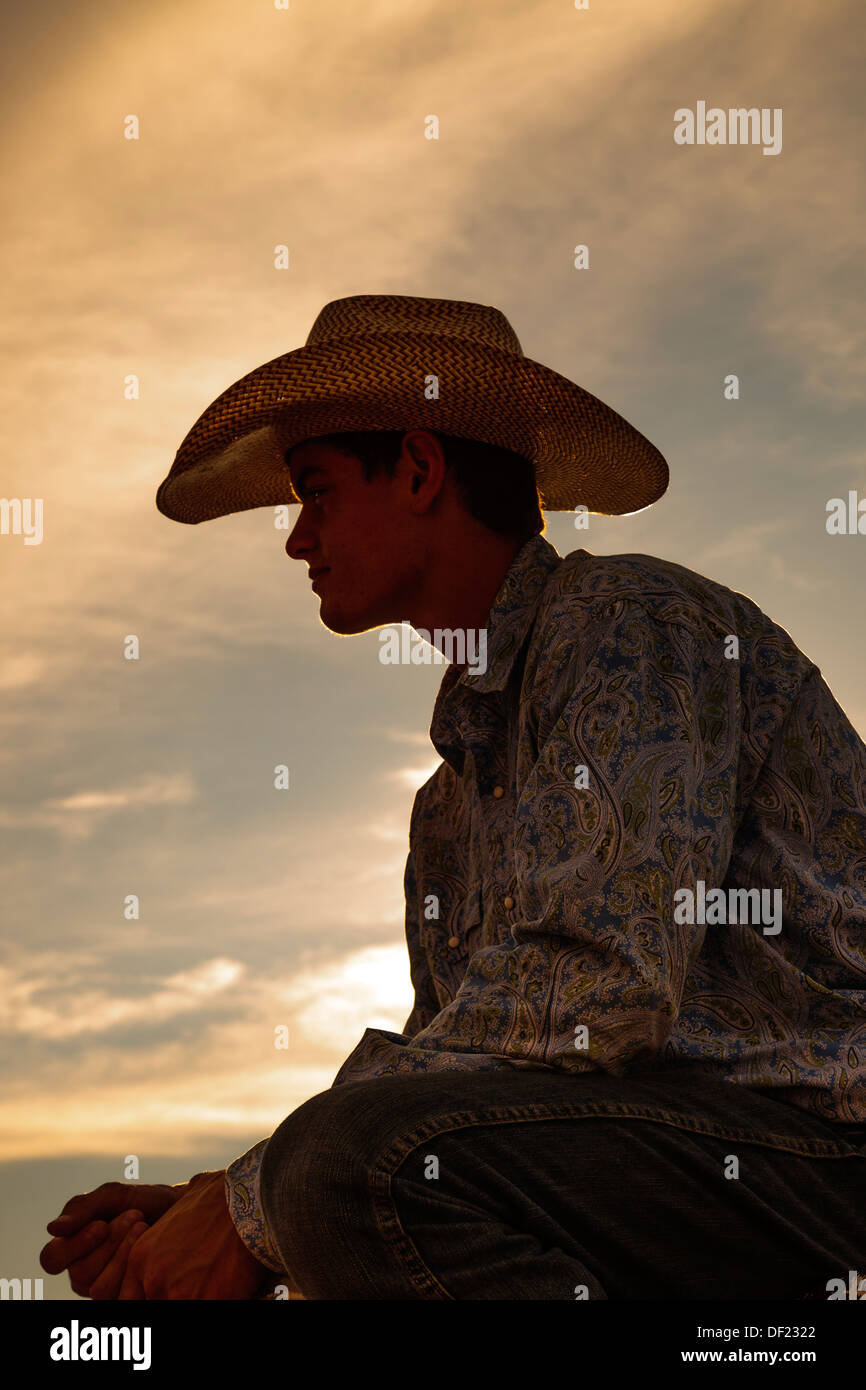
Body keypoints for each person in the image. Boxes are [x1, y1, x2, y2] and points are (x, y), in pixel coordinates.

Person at [40, 296, 866, 1300]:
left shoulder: (631, 623)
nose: (298, 539)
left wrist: (258, 1201)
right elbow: (461, 1077)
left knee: (342, 1171)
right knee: (339, 1177)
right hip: (685, 1169)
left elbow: (592, 994)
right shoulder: (445, 807)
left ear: (421, 470)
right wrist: (234, 1192)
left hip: (829, 1153)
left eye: (317, 490)